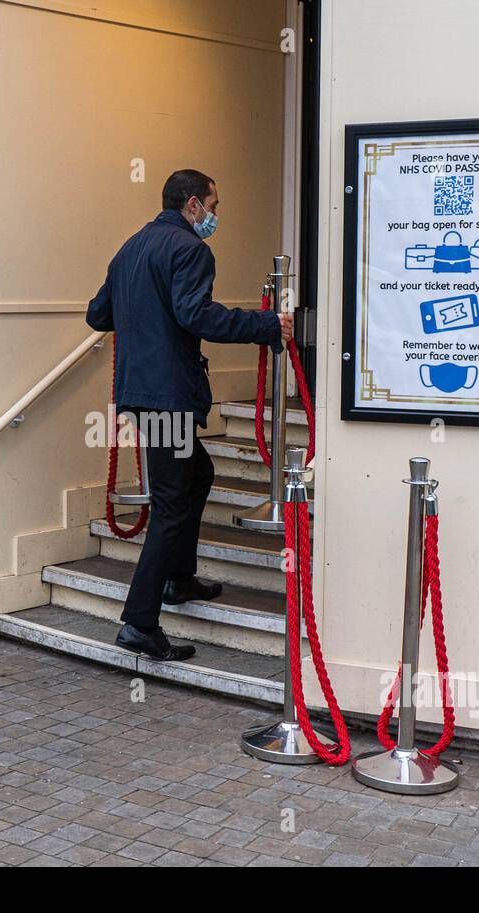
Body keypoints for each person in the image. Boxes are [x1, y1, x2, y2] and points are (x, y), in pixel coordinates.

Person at [86, 169, 294, 661]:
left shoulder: (131, 247)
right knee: (173, 505)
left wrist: (144, 316)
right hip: (168, 399)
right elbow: (195, 315)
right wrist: (266, 324)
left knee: (198, 472)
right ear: (194, 204)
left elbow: (99, 314)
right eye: (213, 207)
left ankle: (179, 579)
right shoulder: (190, 249)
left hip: (142, 394)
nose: (215, 216)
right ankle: (139, 623)